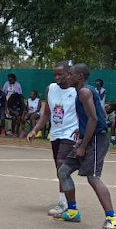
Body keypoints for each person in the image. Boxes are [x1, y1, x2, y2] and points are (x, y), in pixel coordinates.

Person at [55, 63, 116, 229]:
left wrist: (83, 145)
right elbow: (98, 116)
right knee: (63, 171)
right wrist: (82, 133)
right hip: (88, 137)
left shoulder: (84, 92)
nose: (66, 77)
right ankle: (72, 211)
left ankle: (112, 219)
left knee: (93, 178)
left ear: (80, 77)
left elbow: (94, 120)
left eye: (70, 74)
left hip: (96, 140)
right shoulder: (83, 92)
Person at [27, 62, 79, 216]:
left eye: (60, 74)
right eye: (55, 74)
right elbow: (46, 114)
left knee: (62, 165)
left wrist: (80, 129)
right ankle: (65, 198)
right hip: (55, 133)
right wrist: (35, 130)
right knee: (59, 169)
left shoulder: (77, 91)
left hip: (70, 133)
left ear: (69, 73)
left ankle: (64, 204)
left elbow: (85, 113)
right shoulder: (50, 89)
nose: (57, 77)